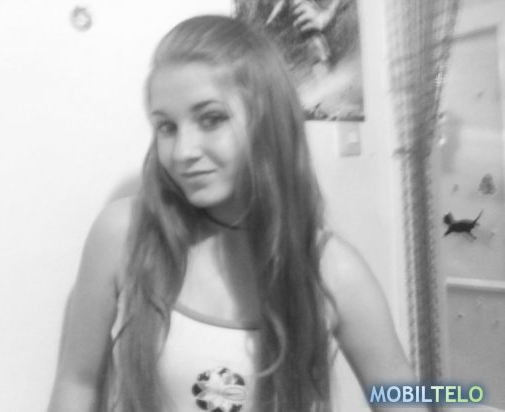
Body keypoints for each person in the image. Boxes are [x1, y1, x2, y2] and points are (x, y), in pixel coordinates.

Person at [48, 15, 422, 412]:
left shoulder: (333, 270)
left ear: (266, 120)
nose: (183, 151)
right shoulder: (124, 234)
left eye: (211, 119)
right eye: (166, 127)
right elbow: (77, 382)